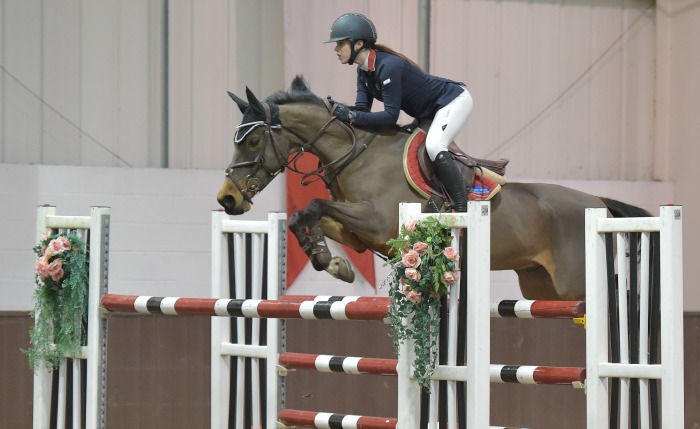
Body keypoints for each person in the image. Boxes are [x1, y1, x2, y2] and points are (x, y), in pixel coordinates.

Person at [325, 12, 474, 212]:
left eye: (340, 43)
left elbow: (389, 117)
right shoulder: (363, 71)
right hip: (428, 113)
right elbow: (362, 111)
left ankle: (461, 207)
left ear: (358, 44)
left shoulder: (388, 67)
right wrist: (338, 112)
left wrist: (351, 116)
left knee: (434, 145)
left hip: (452, 101)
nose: (336, 49)